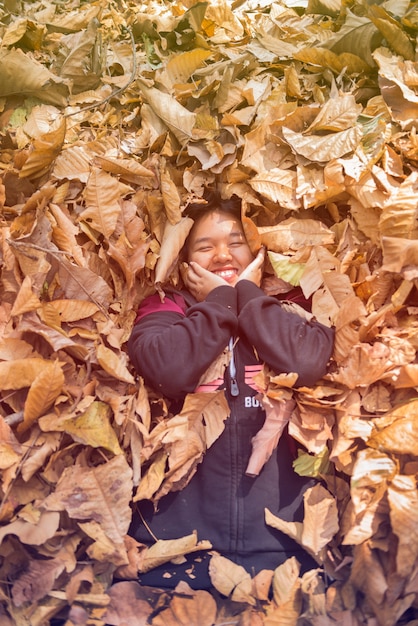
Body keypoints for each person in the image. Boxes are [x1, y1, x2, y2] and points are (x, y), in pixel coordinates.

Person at [127, 192, 335, 589]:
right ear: (184, 261)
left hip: (289, 557)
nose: (222, 255)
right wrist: (222, 301)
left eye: (235, 243)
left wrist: (251, 298)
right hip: (175, 557)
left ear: (258, 249)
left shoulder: (289, 302)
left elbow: (308, 361)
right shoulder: (165, 306)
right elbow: (165, 367)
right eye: (206, 247)